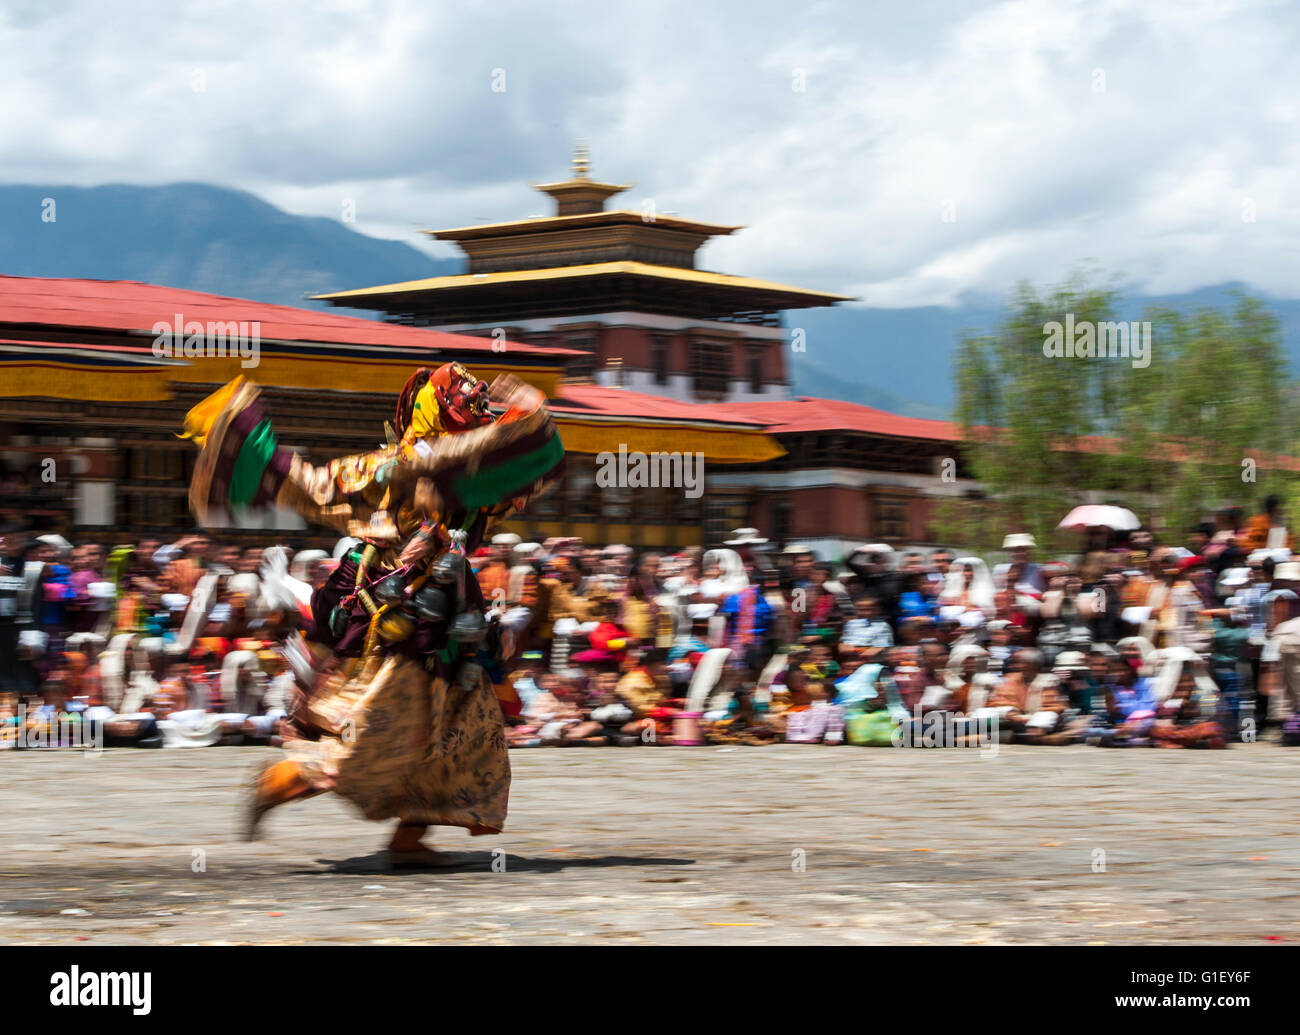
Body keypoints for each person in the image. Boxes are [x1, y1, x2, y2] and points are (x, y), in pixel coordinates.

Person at [180, 364, 565, 866]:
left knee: (466, 733)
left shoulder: (469, 467)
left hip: (448, 620)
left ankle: (412, 838)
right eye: (464, 403)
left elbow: (318, 486)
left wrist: (262, 457)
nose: (475, 412)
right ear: (436, 407)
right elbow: (319, 486)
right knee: (374, 742)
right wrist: (532, 408)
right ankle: (277, 784)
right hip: (398, 617)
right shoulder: (423, 463)